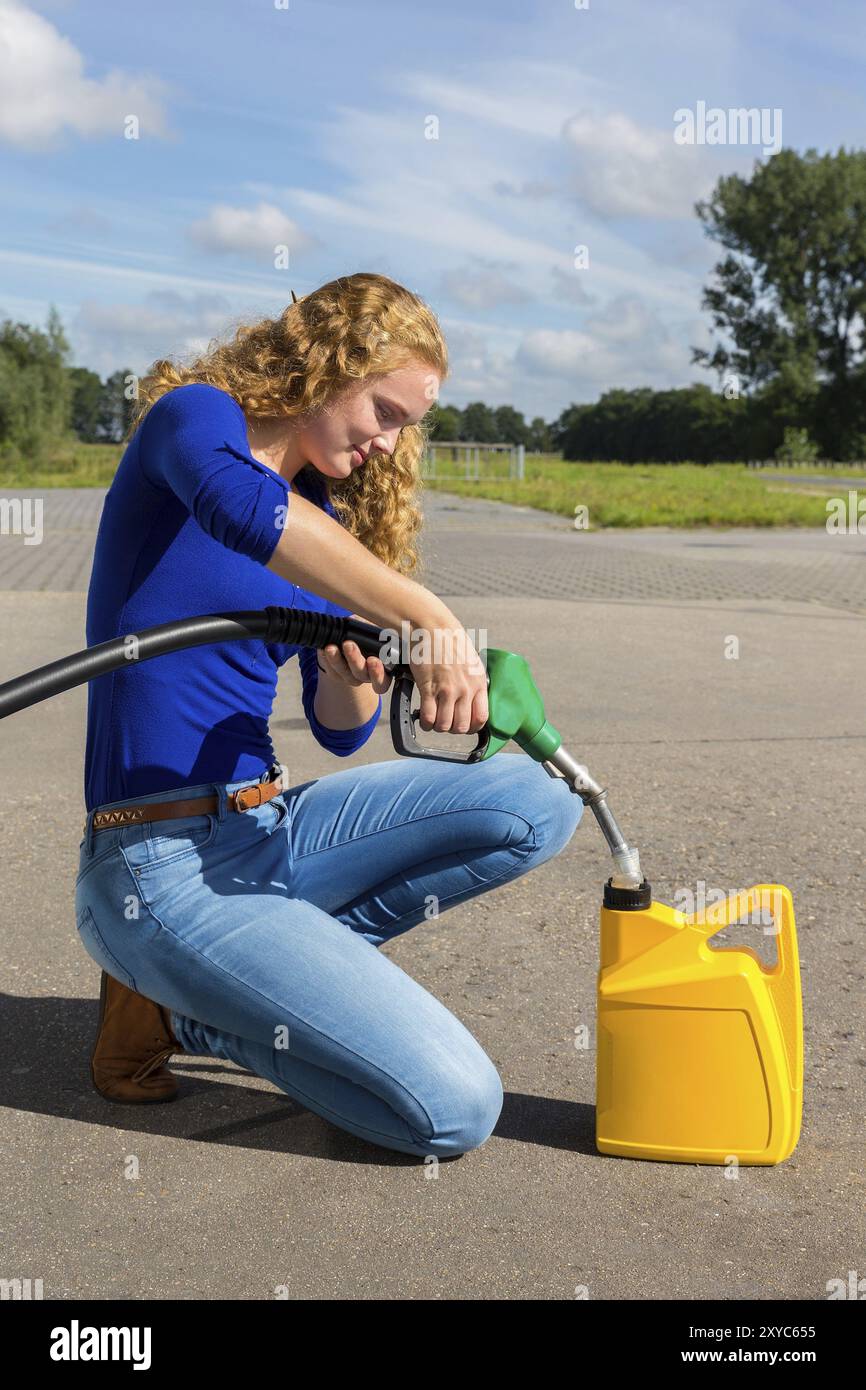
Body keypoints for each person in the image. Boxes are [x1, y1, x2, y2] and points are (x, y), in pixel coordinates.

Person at [75, 271, 583, 1160]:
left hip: (267, 832)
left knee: (538, 796)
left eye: (406, 427)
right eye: (384, 411)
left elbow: (340, 729)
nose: (391, 443)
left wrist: (354, 668)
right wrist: (423, 614)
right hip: (157, 864)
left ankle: (238, 984)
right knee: (454, 1110)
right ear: (326, 366)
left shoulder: (324, 519)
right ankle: (185, 1015)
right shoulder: (195, 421)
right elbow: (235, 506)